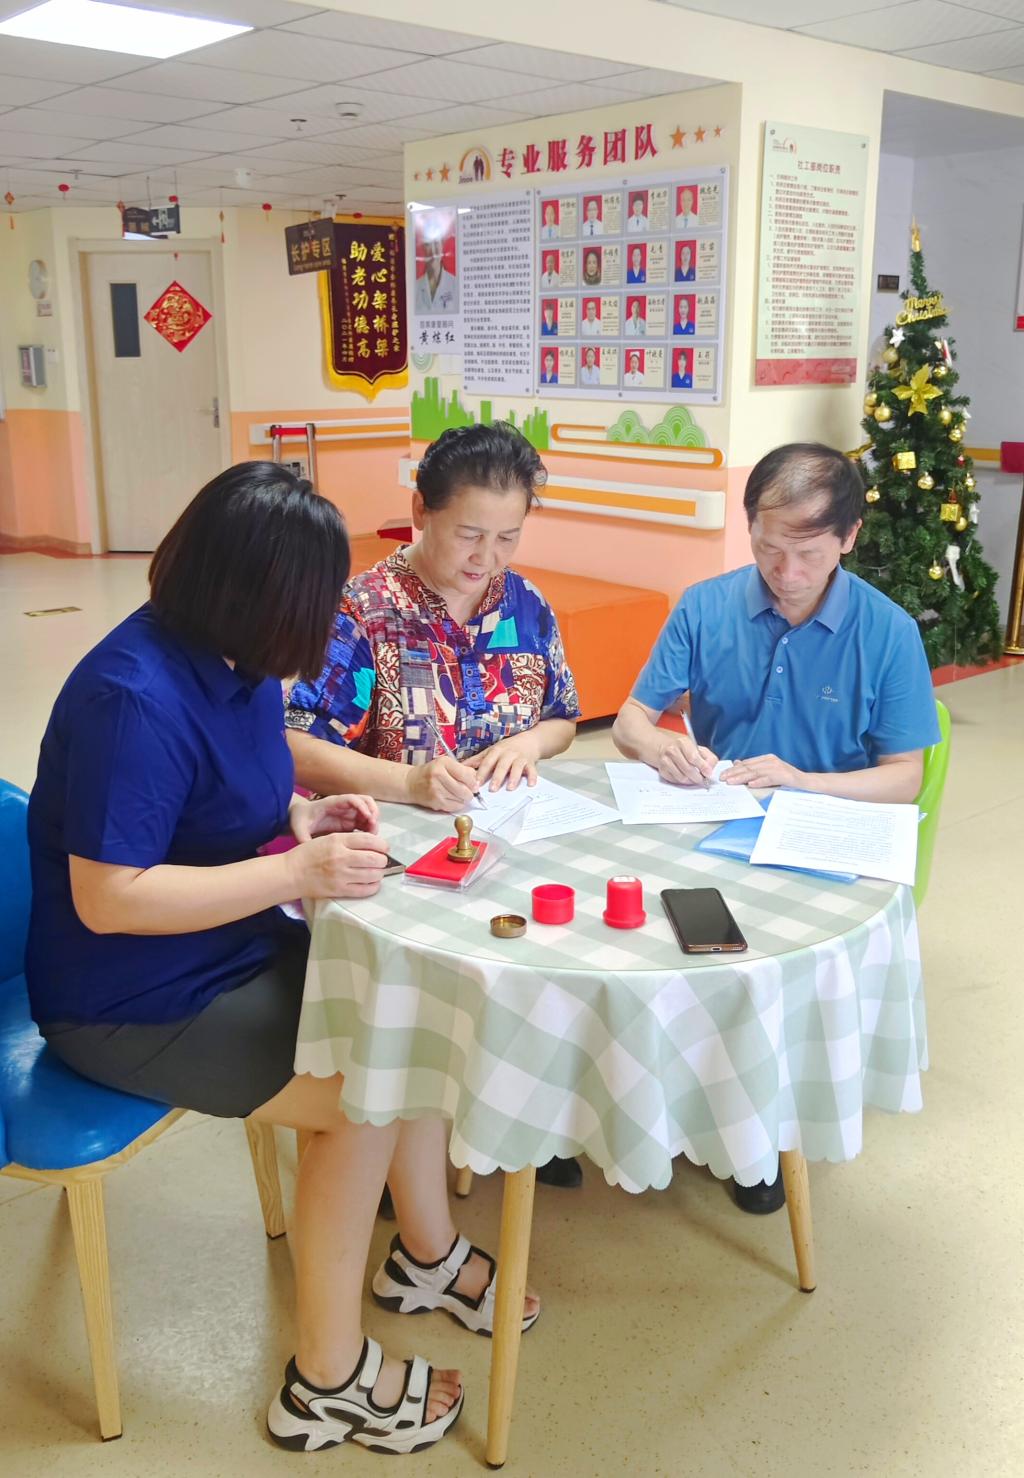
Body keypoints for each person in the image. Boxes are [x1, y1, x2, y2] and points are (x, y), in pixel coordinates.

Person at [25, 463, 543, 1455]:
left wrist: (300, 816)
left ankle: (425, 1256)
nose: (317, 628)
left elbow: (223, 799)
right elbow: (110, 897)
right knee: (364, 1091)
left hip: (223, 944)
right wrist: (295, 869)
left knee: (409, 1009)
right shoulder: (132, 697)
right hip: (127, 995)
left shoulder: (235, 660)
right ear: (252, 596)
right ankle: (326, 1381)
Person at [612, 442, 941, 1214]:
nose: (785, 573)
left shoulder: (887, 632)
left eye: (809, 554)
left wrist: (803, 782)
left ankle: (757, 1131)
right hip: (715, 823)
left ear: (849, 537)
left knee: (774, 975)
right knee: (664, 945)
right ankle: (651, 1100)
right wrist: (660, 746)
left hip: (826, 835)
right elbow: (629, 721)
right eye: (767, 548)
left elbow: (904, 777)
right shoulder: (705, 606)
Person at [285, 424, 584, 1190]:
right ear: (421, 511)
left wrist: (531, 743)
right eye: (469, 534)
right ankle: (389, 1129)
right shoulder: (362, 610)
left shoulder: (525, 604)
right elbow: (296, 743)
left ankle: (524, 1110)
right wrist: (411, 784)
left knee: (550, 946)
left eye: (508, 537)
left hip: (505, 839)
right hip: (397, 857)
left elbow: (562, 717)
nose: (488, 559)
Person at [414, 233, 458, 314]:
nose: (433, 251)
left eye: (436, 243)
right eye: (428, 244)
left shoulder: (456, 285)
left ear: (442, 246)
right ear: (423, 248)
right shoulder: (415, 288)